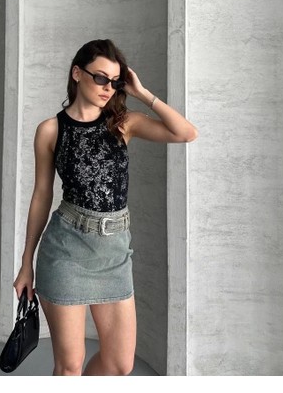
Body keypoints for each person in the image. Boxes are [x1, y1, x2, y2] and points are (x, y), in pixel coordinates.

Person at [13, 38, 198, 376]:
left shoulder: (123, 123)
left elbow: (186, 133)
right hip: (66, 250)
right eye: (100, 78)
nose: (108, 88)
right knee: (69, 367)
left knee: (119, 364)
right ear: (77, 73)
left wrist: (142, 93)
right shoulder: (51, 130)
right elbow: (41, 194)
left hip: (114, 253)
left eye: (114, 82)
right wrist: (26, 263)